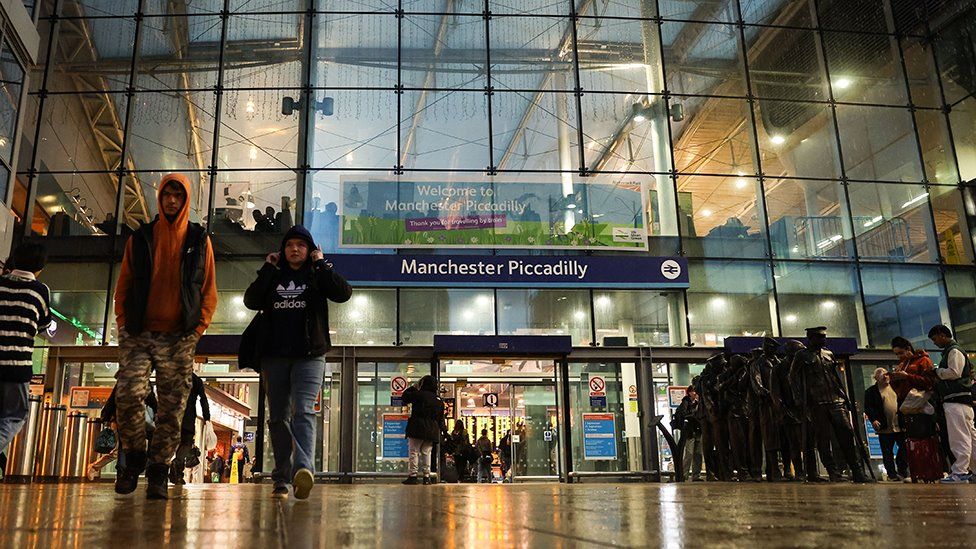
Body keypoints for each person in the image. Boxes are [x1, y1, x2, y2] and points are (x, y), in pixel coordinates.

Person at [112, 173, 217, 499]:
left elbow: (208, 289)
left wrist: (196, 330)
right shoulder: (141, 238)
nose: (172, 200)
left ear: (185, 200)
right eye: (167, 195)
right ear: (160, 198)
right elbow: (124, 284)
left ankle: (158, 470)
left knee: (173, 408)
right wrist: (123, 324)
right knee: (128, 394)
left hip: (178, 336)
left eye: (178, 196)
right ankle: (135, 457)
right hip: (139, 332)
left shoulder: (199, 240)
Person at [243, 224, 352, 499]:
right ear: (283, 249)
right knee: (278, 417)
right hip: (274, 356)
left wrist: (322, 264)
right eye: (290, 244)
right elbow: (251, 300)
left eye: (301, 245)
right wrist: (267, 269)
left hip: (310, 356)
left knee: (303, 410)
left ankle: (303, 470)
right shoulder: (274, 275)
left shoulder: (317, 275)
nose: (295, 249)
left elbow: (342, 293)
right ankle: (281, 477)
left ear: (309, 250)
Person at [790, 326, 868, 483]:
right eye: (820, 337)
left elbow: (835, 376)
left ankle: (857, 470)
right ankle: (833, 472)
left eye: (824, 337)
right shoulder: (801, 355)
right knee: (823, 440)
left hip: (835, 401)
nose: (823, 340)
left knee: (846, 434)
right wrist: (799, 399)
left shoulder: (829, 354)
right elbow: (792, 378)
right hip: (816, 403)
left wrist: (843, 395)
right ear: (811, 338)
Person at [0, 243, 52, 473]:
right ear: (40, 266)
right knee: (15, 416)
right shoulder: (40, 291)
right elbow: (44, 324)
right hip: (17, 366)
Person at [928, 325, 976, 483]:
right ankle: (972, 470)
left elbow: (954, 372)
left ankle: (960, 472)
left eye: (935, 339)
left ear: (942, 335)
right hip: (962, 400)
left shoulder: (953, 350)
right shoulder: (954, 350)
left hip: (955, 399)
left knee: (959, 437)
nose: (935, 343)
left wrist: (937, 372)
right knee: (971, 437)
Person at [87, 384, 158, 480]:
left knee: (150, 436)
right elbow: (112, 400)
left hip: (136, 420)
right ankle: (96, 467)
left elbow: (152, 401)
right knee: (118, 450)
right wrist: (107, 417)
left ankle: (139, 469)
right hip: (120, 420)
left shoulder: (142, 383)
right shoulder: (126, 382)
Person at [864, 368, 908, 481]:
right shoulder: (871, 392)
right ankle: (892, 474)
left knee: (904, 448)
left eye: (886, 374)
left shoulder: (895, 387)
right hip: (884, 427)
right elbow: (869, 408)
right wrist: (873, 420)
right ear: (876, 379)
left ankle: (902, 470)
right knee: (887, 452)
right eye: (881, 375)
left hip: (899, 424)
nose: (885, 377)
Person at [401, 375, 444, 485]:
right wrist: (442, 431)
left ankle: (413, 476)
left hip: (417, 427)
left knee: (414, 452)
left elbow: (405, 397)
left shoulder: (419, 395)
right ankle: (426, 476)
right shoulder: (439, 400)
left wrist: (414, 387)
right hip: (432, 430)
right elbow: (440, 418)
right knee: (426, 452)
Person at [169, 373, 211, 485]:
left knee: (171, 442)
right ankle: (177, 466)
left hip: (172, 414)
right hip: (188, 416)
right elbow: (203, 399)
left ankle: (173, 473)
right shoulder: (195, 379)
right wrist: (207, 417)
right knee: (186, 443)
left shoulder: (172, 375)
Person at [672, 386, 703, 481]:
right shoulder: (685, 403)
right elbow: (685, 414)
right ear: (689, 393)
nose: (695, 394)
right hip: (689, 431)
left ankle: (696, 475)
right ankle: (684, 474)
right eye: (693, 391)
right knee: (689, 453)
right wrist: (695, 412)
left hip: (698, 430)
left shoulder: (699, 403)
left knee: (698, 454)